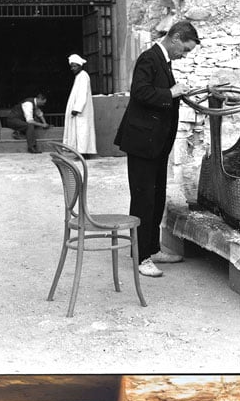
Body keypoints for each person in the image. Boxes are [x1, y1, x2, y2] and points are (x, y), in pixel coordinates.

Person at [114, 21, 201, 278]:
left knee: (157, 197)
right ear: (175, 39)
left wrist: (178, 93)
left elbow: (159, 92)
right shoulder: (149, 58)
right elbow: (140, 93)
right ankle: (140, 257)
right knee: (143, 199)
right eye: (184, 49)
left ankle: (151, 248)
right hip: (142, 144)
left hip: (156, 144)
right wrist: (171, 92)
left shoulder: (163, 62)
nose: (184, 55)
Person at [63, 54, 97, 157]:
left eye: (75, 66)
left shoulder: (83, 76)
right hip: (79, 110)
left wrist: (77, 108)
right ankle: (80, 153)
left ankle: (84, 154)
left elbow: (83, 93)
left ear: (80, 66)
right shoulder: (79, 76)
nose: (73, 68)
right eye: (71, 66)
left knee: (82, 132)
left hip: (81, 111)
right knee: (79, 132)